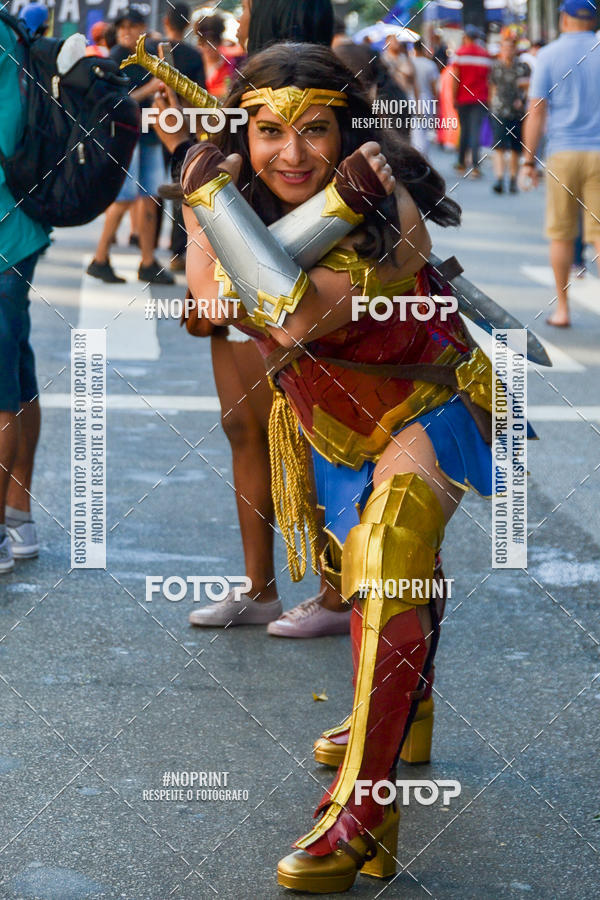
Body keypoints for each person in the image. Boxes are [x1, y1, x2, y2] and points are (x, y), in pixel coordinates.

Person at [180, 43, 499, 890]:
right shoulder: (228, 194)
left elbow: (288, 317)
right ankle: (406, 712)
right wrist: (205, 213)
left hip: (426, 397)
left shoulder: (384, 206)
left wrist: (212, 208)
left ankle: (364, 808)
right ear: (240, 133)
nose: (291, 154)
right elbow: (207, 301)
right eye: (268, 132)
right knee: (377, 573)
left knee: (390, 554)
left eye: (314, 130)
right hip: (330, 422)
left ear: (346, 127)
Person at [153, 0, 342, 635]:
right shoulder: (237, 94)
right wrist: (187, 149)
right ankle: (259, 588)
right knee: (244, 432)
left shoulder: (335, 91)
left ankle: (339, 593)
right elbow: (208, 186)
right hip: (236, 301)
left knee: (328, 443)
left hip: (318, 304)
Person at [0, 14, 51, 573]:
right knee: (13, 370)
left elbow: (6, 136)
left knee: (1, 387)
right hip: (14, 234)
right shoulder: (9, 33)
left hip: (4, 237)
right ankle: (18, 516)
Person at [522, 0, 600, 327]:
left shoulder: (549, 55)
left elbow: (537, 110)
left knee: (562, 234)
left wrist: (528, 160)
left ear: (564, 18)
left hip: (563, 153)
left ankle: (563, 309)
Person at [86, 8, 174, 285]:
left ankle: (148, 262)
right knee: (124, 198)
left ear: (141, 28)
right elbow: (115, 103)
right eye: (122, 26)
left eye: (132, 25)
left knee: (150, 197)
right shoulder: (114, 59)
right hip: (124, 137)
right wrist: (151, 89)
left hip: (147, 135)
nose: (126, 30)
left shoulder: (146, 55)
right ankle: (100, 259)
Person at [162, 2, 206, 272]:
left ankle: (156, 243)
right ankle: (179, 250)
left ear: (167, 23)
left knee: (162, 185)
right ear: (188, 24)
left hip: (158, 124)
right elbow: (198, 94)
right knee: (183, 183)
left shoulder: (157, 51)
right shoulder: (193, 55)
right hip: (186, 125)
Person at [489, 30, 530, 194]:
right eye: (504, 48)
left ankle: (513, 179)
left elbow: (529, 87)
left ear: (515, 49)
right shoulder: (496, 66)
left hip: (516, 112)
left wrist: (523, 99)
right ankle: (499, 178)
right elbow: (493, 86)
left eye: (510, 48)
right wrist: (491, 104)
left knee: (514, 148)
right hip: (499, 110)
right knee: (499, 147)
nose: (507, 51)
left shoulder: (523, 67)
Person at [451, 24, 492, 177]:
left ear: (465, 37)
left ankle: (461, 163)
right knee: (475, 131)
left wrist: (454, 97)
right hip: (480, 98)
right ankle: (475, 166)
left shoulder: (460, 53)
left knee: (464, 130)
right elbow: (489, 79)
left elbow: (455, 78)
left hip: (463, 98)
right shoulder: (485, 55)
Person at [411, 38, 439, 157]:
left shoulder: (409, 63)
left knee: (415, 130)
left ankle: (417, 155)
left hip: (411, 100)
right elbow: (434, 87)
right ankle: (422, 155)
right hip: (427, 99)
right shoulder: (430, 65)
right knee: (425, 130)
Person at [195, 15, 235, 99]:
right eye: (203, 43)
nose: (207, 48)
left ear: (219, 41)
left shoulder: (231, 64)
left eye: (212, 43)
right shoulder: (195, 65)